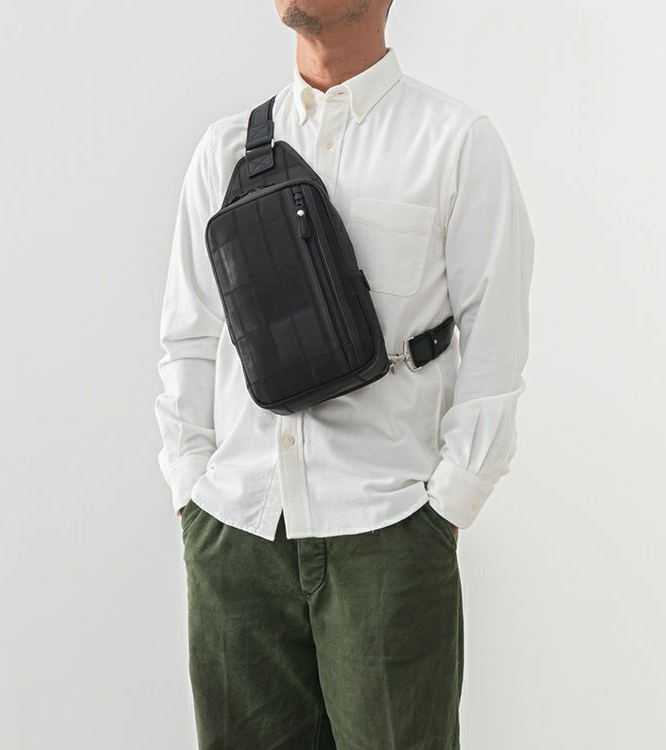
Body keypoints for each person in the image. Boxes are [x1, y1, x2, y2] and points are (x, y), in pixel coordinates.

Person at [154, 1, 534, 747]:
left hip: (386, 535)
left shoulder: (454, 143)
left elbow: (496, 347)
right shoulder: (225, 149)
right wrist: (192, 491)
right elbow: (189, 337)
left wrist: (446, 507)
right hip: (236, 533)